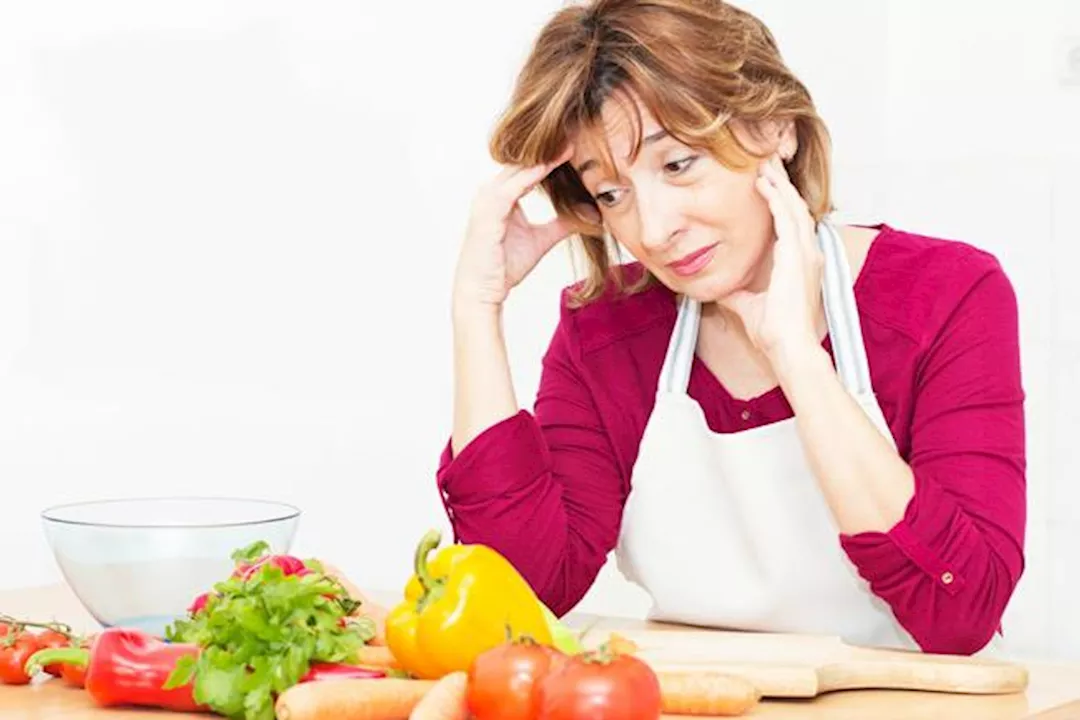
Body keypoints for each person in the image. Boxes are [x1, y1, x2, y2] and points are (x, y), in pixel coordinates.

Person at [437, 0, 1025, 657]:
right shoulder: (605, 329)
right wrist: (476, 307)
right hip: (700, 699)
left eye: (678, 165)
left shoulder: (945, 295)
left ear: (775, 128)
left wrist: (797, 357)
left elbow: (961, 612)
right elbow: (524, 595)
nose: (653, 230)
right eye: (611, 193)